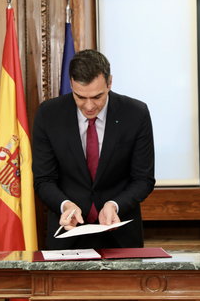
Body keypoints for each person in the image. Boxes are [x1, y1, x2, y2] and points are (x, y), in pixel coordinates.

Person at [32, 49, 155, 250]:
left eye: (97, 96)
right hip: (67, 234)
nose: (89, 106)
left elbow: (143, 179)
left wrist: (115, 205)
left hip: (120, 234)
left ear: (110, 83)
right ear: (71, 84)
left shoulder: (136, 113)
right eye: (80, 97)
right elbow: (43, 180)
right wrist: (65, 205)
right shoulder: (48, 115)